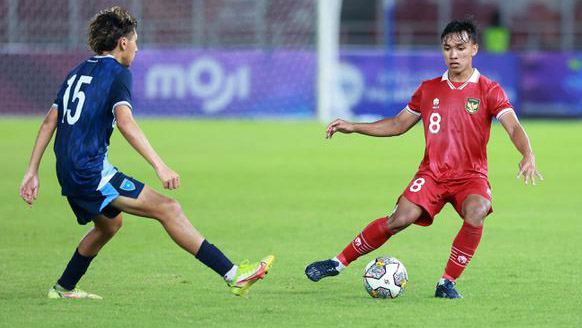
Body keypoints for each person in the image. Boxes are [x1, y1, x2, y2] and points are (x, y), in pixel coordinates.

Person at [19, 6, 273, 299]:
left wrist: (32, 170)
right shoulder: (117, 74)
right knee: (169, 208)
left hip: (67, 170)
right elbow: (126, 123)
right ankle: (234, 275)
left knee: (110, 225)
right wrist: (160, 166)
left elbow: (50, 120)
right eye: (135, 41)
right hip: (89, 172)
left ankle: (63, 287)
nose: (138, 49)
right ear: (122, 43)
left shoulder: (77, 71)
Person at [305, 18, 542, 298]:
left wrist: (527, 153)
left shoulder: (489, 90)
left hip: (470, 177)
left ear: (474, 49)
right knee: (399, 220)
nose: (453, 54)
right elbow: (397, 124)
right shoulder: (429, 89)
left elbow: (512, 125)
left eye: (460, 48)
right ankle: (337, 263)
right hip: (432, 174)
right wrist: (354, 126)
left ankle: (446, 282)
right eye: (447, 48)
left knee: (477, 211)